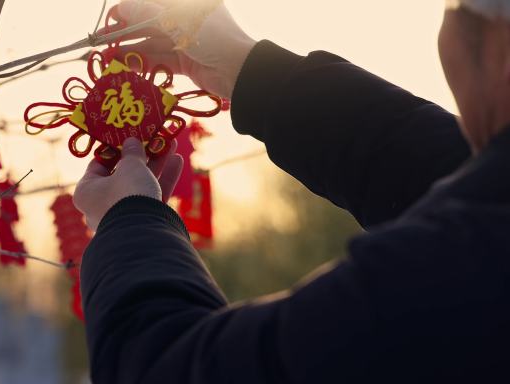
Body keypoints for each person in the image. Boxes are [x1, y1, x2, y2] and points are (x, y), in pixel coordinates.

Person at [72, 0, 510, 382]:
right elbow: (437, 172)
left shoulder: (443, 279)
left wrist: (129, 223)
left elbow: (168, 368)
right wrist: (251, 70)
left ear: (501, 50)